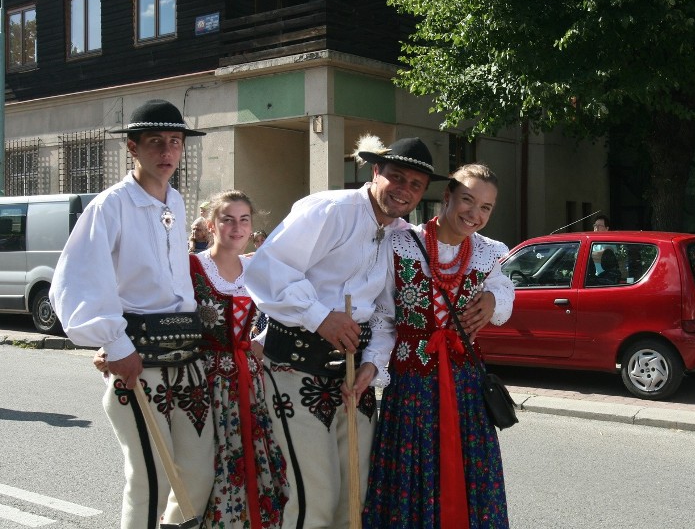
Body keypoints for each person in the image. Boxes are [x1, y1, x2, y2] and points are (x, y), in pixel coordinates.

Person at [244, 136, 493, 529]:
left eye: (415, 185)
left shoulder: (400, 235)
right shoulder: (330, 209)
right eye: (396, 177)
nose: (404, 190)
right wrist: (320, 316)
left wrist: (373, 367)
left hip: (351, 377)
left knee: (356, 497)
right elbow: (265, 270)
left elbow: (384, 316)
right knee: (313, 499)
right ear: (375, 171)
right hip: (296, 367)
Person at [49, 99, 215, 529]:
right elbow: (80, 280)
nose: (167, 152)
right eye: (156, 142)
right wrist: (115, 344)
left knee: (197, 475)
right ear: (132, 147)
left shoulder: (176, 202)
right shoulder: (110, 206)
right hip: (138, 363)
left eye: (175, 142)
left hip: (186, 359)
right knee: (150, 478)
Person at [356, 163, 515, 528]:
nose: (474, 214)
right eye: (467, 201)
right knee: (411, 480)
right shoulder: (399, 243)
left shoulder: (489, 252)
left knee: (468, 475)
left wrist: (493, 297)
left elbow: (506, 291)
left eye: (486, 208)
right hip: (412, 388)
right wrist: (372, 365)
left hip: (466, 390)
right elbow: (383, 318)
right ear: (447, 197)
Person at [189, 190, 288, 528]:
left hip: (248, 379)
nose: (236, 227)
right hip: (202, 382)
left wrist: (259, 341)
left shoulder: (256, 266)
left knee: (251, 460)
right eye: (227, 219)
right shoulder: (192, 266)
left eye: (243, 220)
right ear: (210, 225)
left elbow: (284, 309)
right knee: (205, 464)